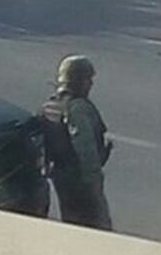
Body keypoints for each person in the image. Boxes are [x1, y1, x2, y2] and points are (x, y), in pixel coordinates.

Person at [41, 55, 113, 230]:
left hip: (61, 177)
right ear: (79, 80)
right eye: (88, 79)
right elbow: (85, 148)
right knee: (97, 226)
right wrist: (94, 184)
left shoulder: (51, 105)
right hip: (80, 181)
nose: (90, 84)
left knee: (72, 223)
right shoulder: (78, 108)